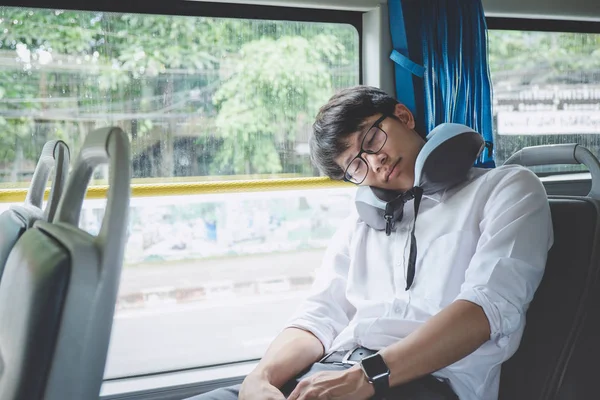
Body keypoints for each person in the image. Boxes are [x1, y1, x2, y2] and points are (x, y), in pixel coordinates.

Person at [188, 85, 553, 400]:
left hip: (429, 383)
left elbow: (485, 310)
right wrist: (261, 377)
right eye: (356, 165)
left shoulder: (505, 188)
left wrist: (368, 376)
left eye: (372, 139)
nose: (374, 161)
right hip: (333, 374)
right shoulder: (361, 224)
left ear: (403, 116)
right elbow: (319, 316)